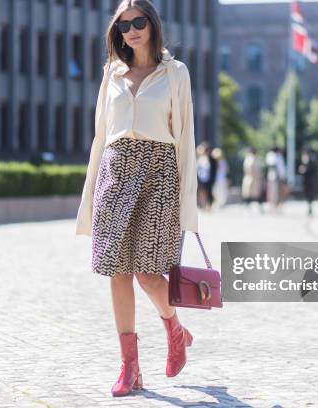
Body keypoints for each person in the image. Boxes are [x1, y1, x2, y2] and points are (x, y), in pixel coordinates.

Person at [75, 0, 197, 397]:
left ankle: (173, 328)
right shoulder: (111, 72)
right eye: (124, 25)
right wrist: (90, 196)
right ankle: (130, 368)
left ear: (152, 24)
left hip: (159, 174)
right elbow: (99, 136)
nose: (132, 30)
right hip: (115, 171)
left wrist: (188, 204)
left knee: (148, 272)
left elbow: (185, 140)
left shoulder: (175, 72)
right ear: (117, 32)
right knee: (116, 270)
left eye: (139, 21)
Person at [298, 149, 318, 216]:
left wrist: (305, 170)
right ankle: (309, 208)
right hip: (306, 181)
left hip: (310, 181)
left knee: (310, 195)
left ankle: (310, 208)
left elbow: (312, 171)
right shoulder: (305, 162)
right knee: (308, 195)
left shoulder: (310, 162)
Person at [196, 143, 212, 210]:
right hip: (200, 178)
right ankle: (203, 205)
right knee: (201, 192)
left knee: (208, 192)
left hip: (208, 178)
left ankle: (207, 205)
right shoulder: (199, 159)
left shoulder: (210, 159)